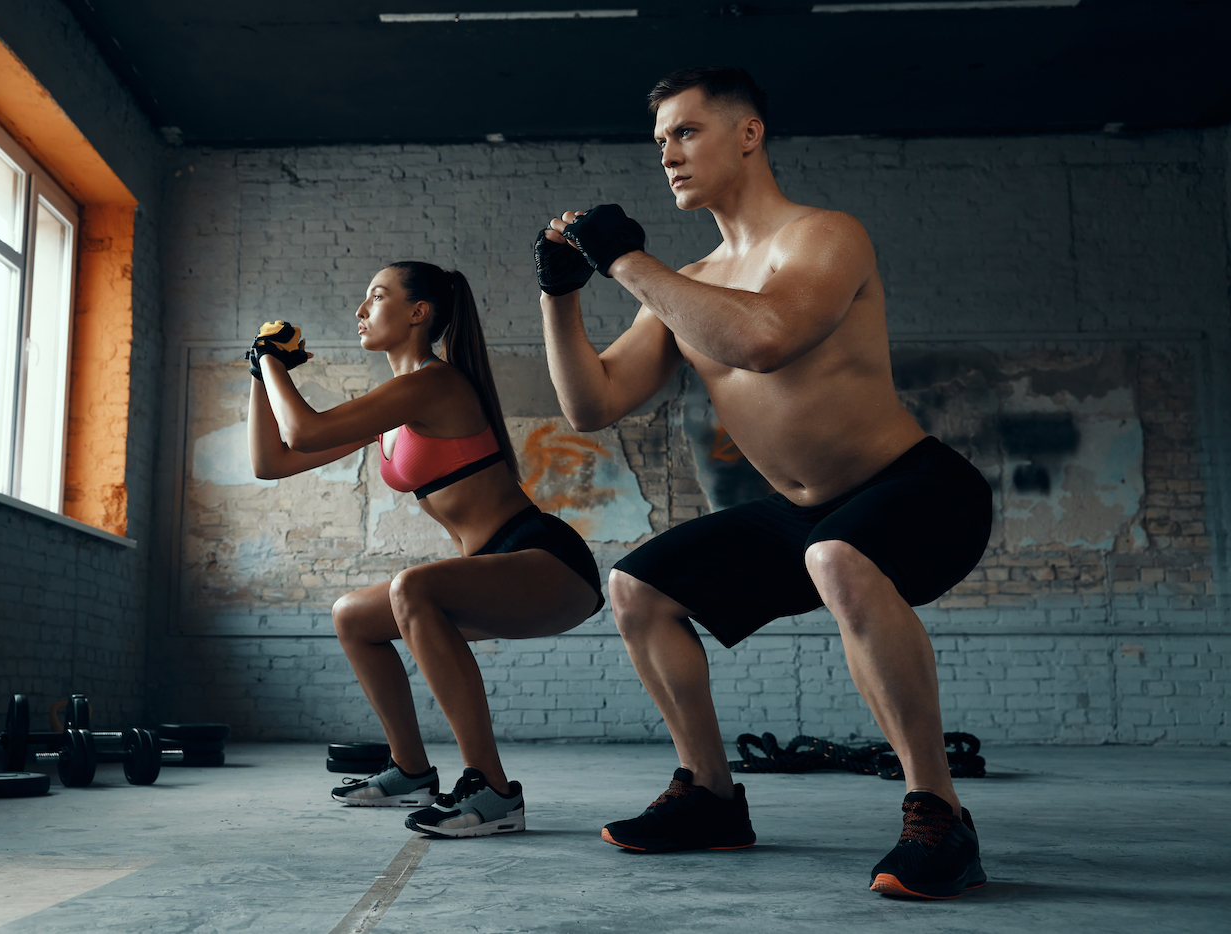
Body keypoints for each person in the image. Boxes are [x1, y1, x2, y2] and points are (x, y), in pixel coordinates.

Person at [535, 66, 992, 898]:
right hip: (807, 514)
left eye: (685, 131)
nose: (667, 154)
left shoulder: (825, 237)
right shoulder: (689, 282)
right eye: (659, 141)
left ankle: (940, 811)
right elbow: (591, 405)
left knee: (837, 558)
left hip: (923, 489)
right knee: (637, 588)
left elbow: (767, 339)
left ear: (749, 134)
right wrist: (560, 294)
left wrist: (628, 260)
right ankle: (710, 797)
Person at [247, 261, 603, 839]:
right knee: (353, 617)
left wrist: (270, 357)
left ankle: (493, 790)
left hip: (546, 562)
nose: (361, 311)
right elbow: (273, 462)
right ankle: (410, 770)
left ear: (419, 313)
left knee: (412, 586)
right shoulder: (395, 406)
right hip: (490, 568)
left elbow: (305, 431)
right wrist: (261, 378)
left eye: (376, 296)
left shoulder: (435, 383)